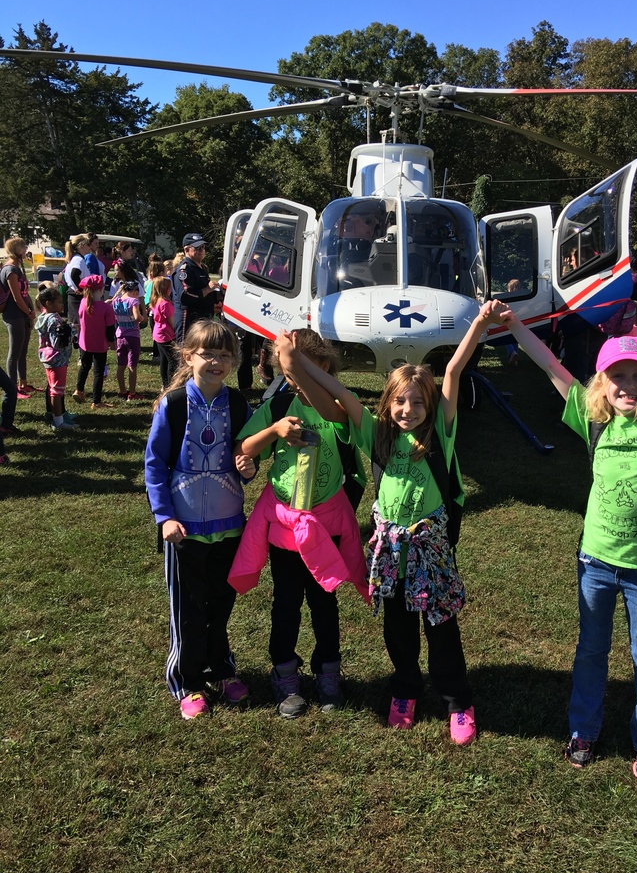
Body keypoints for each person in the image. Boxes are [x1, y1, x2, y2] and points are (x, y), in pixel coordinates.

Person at [496, 302, 637, 779]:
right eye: (617, 376)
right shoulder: (591, 416)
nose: (627, 385)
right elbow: (552, 366)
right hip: (595, 561)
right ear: (600, 383)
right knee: (591, 650)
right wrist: (514, 325)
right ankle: (583, 729)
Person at [278, 302, 501, 744]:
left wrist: (479, 323)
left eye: (418, 402)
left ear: (431, 406)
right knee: (397, 626)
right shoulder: (376, 433)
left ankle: (457, 701)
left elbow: (454, 370)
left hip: (431, 550)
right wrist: (296, 363)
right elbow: (339, 394)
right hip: (390, 552)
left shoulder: (440, 432)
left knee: (441, 626)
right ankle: (405, 689)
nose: (408, 409)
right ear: (387, 404)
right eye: (399, 401)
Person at [228, 329, 367, 718]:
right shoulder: (277, 406)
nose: (299, 382)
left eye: (308, 371)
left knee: (325, 603)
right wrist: (273, 432)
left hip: (327, 525)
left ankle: (328, 673)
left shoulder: (338, 409)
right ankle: (285, 673)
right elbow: (243, 448)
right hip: (286, 528)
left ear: (325, 368)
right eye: (291, 374)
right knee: (286, 602)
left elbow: (347, 438)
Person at [145, 318, 256, 719]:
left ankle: (221, 670)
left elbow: (247, 453)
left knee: (220, 604)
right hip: (183, 530)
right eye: (208, 353)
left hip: (228, 524)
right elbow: (155, 465)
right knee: (188, 609)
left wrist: (248, 466)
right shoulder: (173, 405)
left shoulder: (240, 404)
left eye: (225, 355)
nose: (216, 362)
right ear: (188, 356)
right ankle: (188, 681)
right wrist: (164, 517)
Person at [35, 286, 75, 433]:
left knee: (53, 389)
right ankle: (58, 422)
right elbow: (57, 344)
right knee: (56, 391)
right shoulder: (54, 320)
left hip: (48, 358)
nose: (62, 304)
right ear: (48, 303)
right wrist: (69, 332)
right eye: (58, 302)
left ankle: (57, 417)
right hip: (57, 359)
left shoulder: (43, 318)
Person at [1, 237, 37, 398]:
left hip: (23, 314)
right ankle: (12, 388)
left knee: (23, 351)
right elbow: (16, 297)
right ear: (16, 249)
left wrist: (32, 309)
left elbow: (25, 293)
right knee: (14, 352)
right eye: (23, 247)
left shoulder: (18, 268)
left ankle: (23, 383)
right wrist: (28, 312)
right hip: (14, 315)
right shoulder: (9, 270)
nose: (26, 250)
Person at [73, 275, 115, 409]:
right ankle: (96, 401)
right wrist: (112, 342)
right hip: (99, 345)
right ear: (101, 290)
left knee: (84, 366)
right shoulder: (106, 309)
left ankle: (79, 390)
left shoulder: (83, 303)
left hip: (84, 343)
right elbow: (110, 329)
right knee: (98, 372)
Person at [173, 234, 219, 344]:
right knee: (187, 350)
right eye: (197, 248)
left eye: (203, 247)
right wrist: (207, 289)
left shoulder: (201, 268)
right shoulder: (184, 270)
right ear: (186, 249)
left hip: (203, 317)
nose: (202, 250)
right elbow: (185, 295)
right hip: (189, 319)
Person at [112, 278, 147, 400]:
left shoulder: (116, 301)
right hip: (132, 336)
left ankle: (122, 391)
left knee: (121, 365)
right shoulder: (133, 301)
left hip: (120, 335)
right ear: (134, 292)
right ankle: (132, 393)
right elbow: (137, 317)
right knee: (132, 365)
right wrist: (142, 317)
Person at [149, 276, 177, 389]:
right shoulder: (165, 303)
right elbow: (172, 321)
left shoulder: (155, 300)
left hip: (158, 334)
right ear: (165, 289)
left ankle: (165, 383)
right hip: (167, 335)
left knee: (164, 360)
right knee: (172, 361)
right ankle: (170, 384)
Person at [63, 235, 92, 334]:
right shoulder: (78, 260)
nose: (90, 247)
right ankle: (81, 347)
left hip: (73, 294)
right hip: (77, 296)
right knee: (80, 326)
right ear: (81, 245)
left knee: (77, 325)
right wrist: (80, 288)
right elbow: (75, 273)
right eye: (88, 244)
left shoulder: (74, 258)